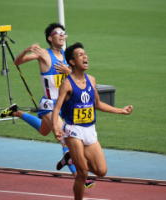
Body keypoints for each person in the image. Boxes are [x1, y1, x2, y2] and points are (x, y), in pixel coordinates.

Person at [0, 23, 95, 188]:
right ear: (50, 38)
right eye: (58, 33)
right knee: (66, 137)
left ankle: (16, 112)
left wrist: (69, 72)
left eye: (64, 33)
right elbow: (17, 62)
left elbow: (80, 77)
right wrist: (26, 50)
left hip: (64, 106)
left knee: (44, 131)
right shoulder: (44, 54)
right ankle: (81, 176)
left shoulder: (69, 57)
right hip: (50, 104)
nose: (62, 35)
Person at [52, 42, 133, 200]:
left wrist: (120, 110)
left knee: (101, 171)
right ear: (72, 62)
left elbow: (97, 104)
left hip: (90, 130)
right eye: (80, 55)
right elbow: (56, 109)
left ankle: (70, 159)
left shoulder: (92, 80)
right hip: (73, 130)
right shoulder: (67, 84)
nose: (85, 56)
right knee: (82, 173)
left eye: (85, 54)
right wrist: (56, 128)